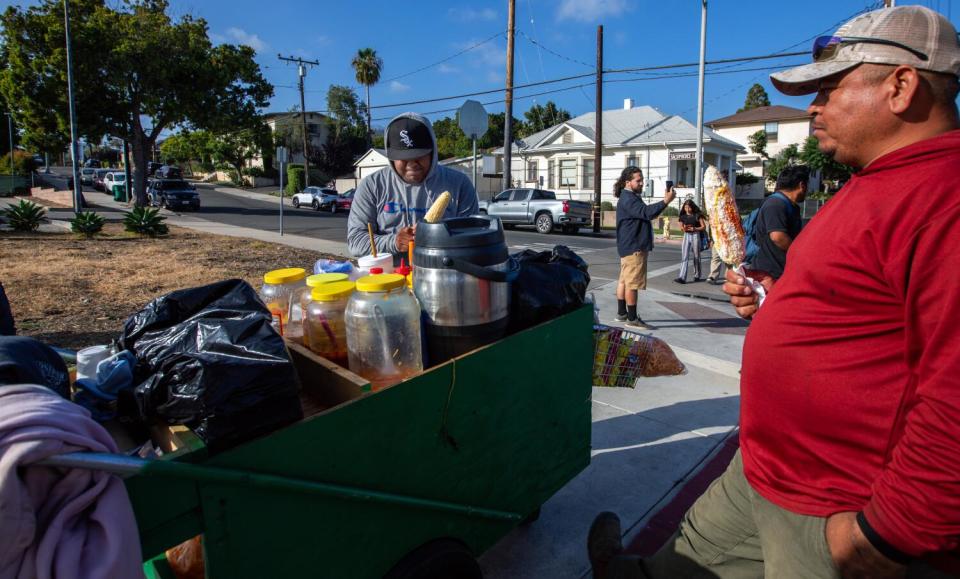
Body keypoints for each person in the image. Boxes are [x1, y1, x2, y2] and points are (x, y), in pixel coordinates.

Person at [589, 5, 960, 578]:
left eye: (830, 89)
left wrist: (886, 534)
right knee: (675, 564)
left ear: (901, 86)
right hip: (762, 470)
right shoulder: (873, 180)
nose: (814, 107)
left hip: (835, 508)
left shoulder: (943, 199)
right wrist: (776, 297)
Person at [347, 113, 478, 264]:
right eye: (403, 157)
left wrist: (437, 237)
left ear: (432, 151)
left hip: (442, 276)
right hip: (388, 278)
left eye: (418, 155)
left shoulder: (459, 184)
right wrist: (394, 242)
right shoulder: (372, 186)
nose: (411, 164)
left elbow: (473, 238)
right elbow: (356, 241)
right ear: (391, 156)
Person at [614, 167, 676, 329]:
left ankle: (622, 314)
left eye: (642, 180)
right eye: (638, 180)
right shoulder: (629, 198)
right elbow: (646, 212)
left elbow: (644, 214)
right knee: (632, 284)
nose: (642, 183)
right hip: (634, 246)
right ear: (628, 182)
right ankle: (632, 318)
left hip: (628, 245)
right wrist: (665, 201)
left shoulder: (629, 197)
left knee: (624, 281)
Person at [748, 164, 809, 280]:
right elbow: (778, 237)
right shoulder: (775, 204)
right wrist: (800, 254)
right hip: (769, 273)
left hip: (780, 271)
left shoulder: (789, 205)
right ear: (802, 185)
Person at [673, 199, 706, 284]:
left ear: (692, 207)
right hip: (686, 235)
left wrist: (695, 228)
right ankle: (682, 277)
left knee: (696, 256)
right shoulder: (682, 216)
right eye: (685, 207)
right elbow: (681, 227)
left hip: (695, 235)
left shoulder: (697, 215)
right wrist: (683, 228)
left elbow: (703, 227)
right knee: (684, 256)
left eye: (689, 207)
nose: (687, 209)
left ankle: (697, 275)